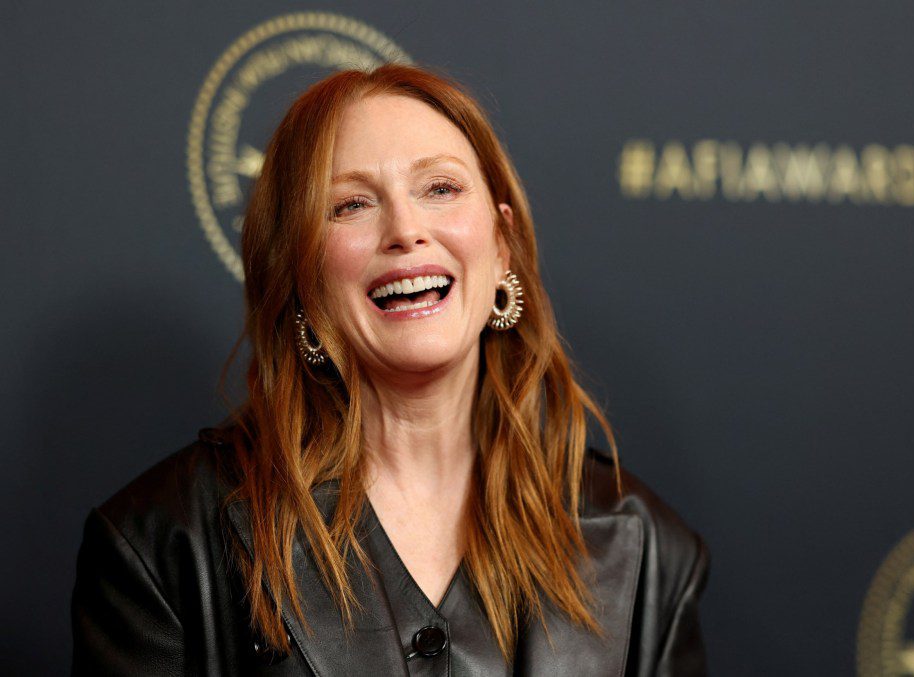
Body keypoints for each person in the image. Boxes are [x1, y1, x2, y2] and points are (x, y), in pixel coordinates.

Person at [70, 63, 709, 676]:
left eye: (440, 188)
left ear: (501, 244)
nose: (406, 229)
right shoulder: (164, 545)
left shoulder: (648, 550)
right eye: (350, 205)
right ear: (300, 277)